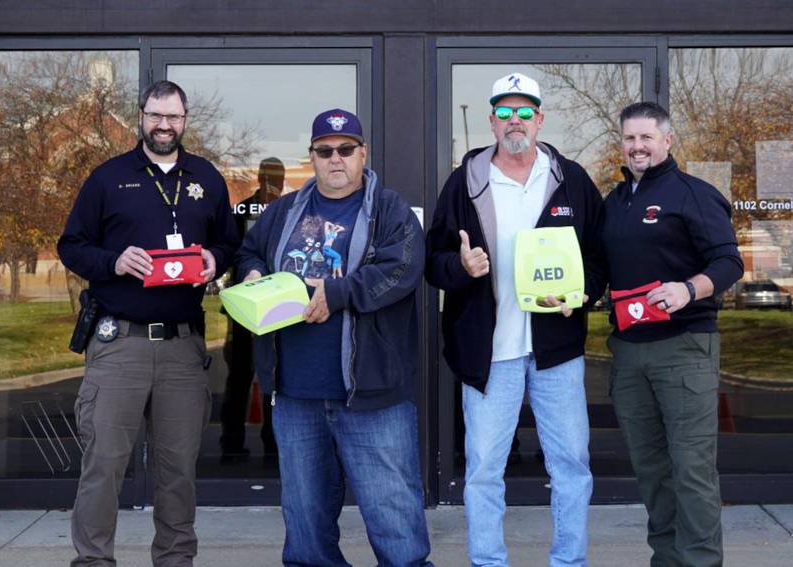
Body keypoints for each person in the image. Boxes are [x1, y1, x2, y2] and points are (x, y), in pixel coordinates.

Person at [236, 108, 433, 566]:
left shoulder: (391, 210)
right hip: (296, 394)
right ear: (312, 157)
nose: (335, 158)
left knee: (396, 524)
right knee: (305, 530)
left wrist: (339, 292)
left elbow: (402, 270)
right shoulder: (284, 210)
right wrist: (251, 272)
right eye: (325, 151)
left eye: (346, 149)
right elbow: (250, 251)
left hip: (371, 395)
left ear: (363, 153)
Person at [425, 72, 606, 567]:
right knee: (484, 469)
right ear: (491, 121)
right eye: (504, 112)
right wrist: (460, 268)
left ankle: (570, 561)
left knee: (570, 465)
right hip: (491, 352)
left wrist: (584, 292)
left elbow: (598, 253)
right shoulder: (465, 182)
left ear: (540, 118)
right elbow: (433, 260)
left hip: (557, 351)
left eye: (524, 111)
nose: (514, 121)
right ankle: (488, 561)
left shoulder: (571, 178)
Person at [58, 80, 239, 567]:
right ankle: (93, 561)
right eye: (156, 116)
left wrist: (212, 259)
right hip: (120, 345)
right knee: (104, 466)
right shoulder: (108, 178)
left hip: (183, 348)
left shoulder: (207, 178)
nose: (164, 125)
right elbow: (70, 246)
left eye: (173, 117)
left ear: (185, 120)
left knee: (177, 471)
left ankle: (176, 560)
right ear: (141, 116)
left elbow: (230, 243)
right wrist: (114, 262)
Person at [602, 101, 743, 567]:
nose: (637, 146)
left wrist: (688, 290)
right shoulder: (617, 200)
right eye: (629, 138)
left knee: (692, 471)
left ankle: (701, 562)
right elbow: (599, 268)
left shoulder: (693, 194)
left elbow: (728, 262)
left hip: (684, 350)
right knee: (652, 470)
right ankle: (666, 559)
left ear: (667, 140)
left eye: (646, 137)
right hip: (628, 351)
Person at [219, 157, 286, 462]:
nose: (274, 183)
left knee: (274, 375)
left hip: (278, 308)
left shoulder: (288, 212)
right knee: (240, 375)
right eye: (269, 177)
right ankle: (231, 442)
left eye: (278, 177)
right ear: (259, 178)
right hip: (245, 310)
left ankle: (273, 443)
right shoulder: (241, 212)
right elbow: (234, 255)